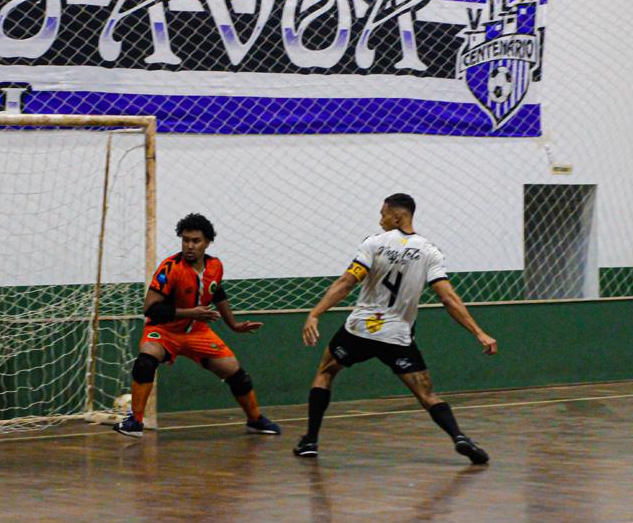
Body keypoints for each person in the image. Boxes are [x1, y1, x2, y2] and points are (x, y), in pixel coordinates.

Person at [297, 194, 497, 463]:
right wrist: (479, 332)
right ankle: (459, 437)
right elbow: (448, 298)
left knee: (325, 371)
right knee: (426, 393)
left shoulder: (374, 244)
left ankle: (310, 440)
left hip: (359, 331)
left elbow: (347, 282)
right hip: (397, 337)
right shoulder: (429, 252)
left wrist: (315, 313)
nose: (380, 220)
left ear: (397, 216)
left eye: (383, 214)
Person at [113, 213, 281, 438]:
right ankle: (135, 421)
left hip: (197, 332)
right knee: (145, 362)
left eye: (195, 241)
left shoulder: (215, 266)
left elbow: (217, 292)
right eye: (185, 240)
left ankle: (255, 420)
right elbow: (150, 309)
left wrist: (234, 325)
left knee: (237, 374)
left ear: (207, 242)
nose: (189, 246)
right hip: (164, 330)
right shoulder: (170, 268)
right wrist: (189, 312)